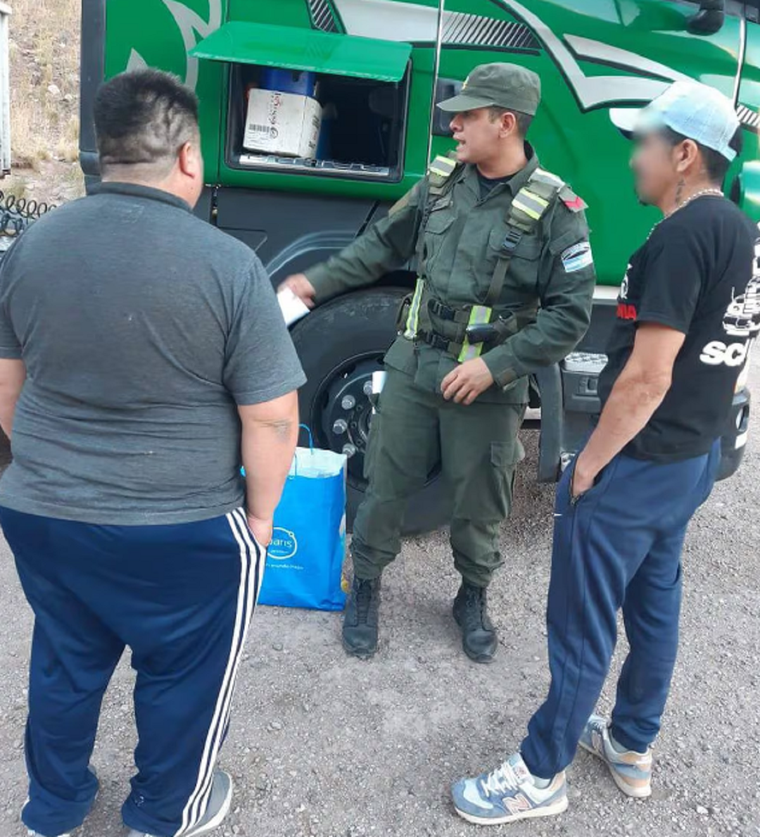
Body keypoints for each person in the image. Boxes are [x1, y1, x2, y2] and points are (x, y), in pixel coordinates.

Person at [0, 70, 305, 837]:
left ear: (105, 156)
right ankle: (166, 812)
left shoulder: (31, 247)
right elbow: (270, 419)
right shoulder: (229, 264)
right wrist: (262, 519)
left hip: (43, 513)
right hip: (183, 525)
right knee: (186, 675)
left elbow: (6, 386)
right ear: (190, 157)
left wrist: (40, 468)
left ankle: (54, 809)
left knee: (66, 662)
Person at [451, 80, 758, 824]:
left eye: (642, 143)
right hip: (689, 461)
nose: (632, 159)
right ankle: (630, 742)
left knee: (581, 618)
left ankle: (540, 771)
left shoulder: (686, 236)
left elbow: (648, 376)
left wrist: (588, 465)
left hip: (641, 460)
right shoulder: (741, 231)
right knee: (655, 602)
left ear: (684, 155)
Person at [282, 63, 595, 664]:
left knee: (482, 497)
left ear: (506, 124)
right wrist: (314, 284)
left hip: (488, 385)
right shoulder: (440, 184)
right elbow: (380, 248)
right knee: (383, 482)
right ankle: (367, 585)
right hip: (414, 364)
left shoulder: (558, 210)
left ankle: (472, 596)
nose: (453, 125)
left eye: (469, 115)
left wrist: (496, 367)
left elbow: (568, 316)